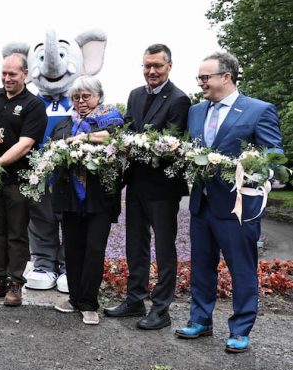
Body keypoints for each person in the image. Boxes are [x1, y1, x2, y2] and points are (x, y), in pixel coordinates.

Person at [175, 52, 282, 353]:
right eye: (199, 78)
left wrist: (253, 166)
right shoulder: (196, 111)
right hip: (201, 205)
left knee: (242, 269)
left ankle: (240, 329)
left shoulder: (258, 110)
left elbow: (273, 155)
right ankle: (200, 320)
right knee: (200, 267)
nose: (201, 83)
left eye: (206, 77)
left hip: (238, 208)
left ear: (227, 76)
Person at [104, 44, 191, 330]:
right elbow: (129, 129)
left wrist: (134, 145)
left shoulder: (179, 99)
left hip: (163, 188)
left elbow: (170, 143)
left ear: (169, 66)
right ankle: (135, 299)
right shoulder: (135, 95)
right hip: (136, 183)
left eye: (157, 66)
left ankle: (162, 308)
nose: (151, 71)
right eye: (147, 66)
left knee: (165, 248)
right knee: (135, 245)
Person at [0, 53, 47, 307]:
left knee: (16, 234)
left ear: (25, 74)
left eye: (12, 74)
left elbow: (25, 145)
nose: (6, 78)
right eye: (3, 73)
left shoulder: (34, 105)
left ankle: (15, 283)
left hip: (18, 180)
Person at [50, 76, 124, 325]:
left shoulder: (110, 117)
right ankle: (74, 298)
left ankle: (89, 303)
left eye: (86, 96)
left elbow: (115, 138)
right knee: (72, 249)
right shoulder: (64, 123)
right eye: (76, 97)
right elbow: (52, 147)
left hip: (99, 198)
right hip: (70, 197)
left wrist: (83, 139)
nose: (81, 102)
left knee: (94, 249)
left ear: (98, 97)